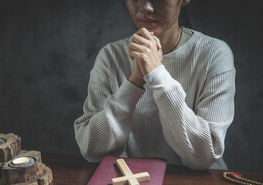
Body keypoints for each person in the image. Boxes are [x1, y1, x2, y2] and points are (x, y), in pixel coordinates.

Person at [74, 0, 235, 170]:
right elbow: (91, 150)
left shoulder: (214, 54)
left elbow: (204, 157)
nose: (145, 7)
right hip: (134, 184)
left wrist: (157, 75)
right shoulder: (110, 56)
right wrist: (134, 82)